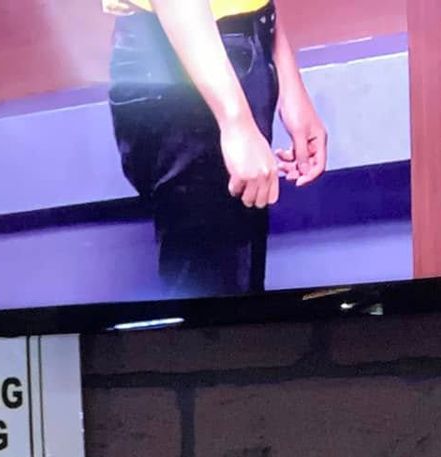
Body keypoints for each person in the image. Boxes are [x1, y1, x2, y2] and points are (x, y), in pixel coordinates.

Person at [107, 0, 329, 297]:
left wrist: (287, 77)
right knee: (214, 301)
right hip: (188, 58)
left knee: (236, 292)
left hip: (233, 47)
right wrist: (235, 120)